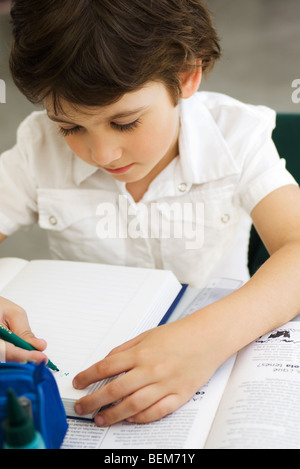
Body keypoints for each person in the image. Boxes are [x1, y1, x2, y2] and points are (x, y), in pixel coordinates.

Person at [0, 0, 299, 426]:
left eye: (125, 123)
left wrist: (205, 341)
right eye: (70, 127)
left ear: (186, 76)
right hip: (91, 366)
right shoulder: (38, 148)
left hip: (212, 360)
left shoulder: (237, 136)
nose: (101, 153)